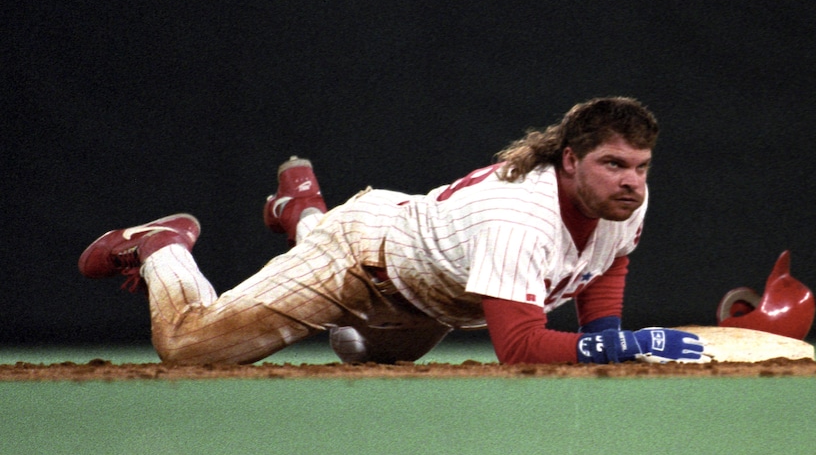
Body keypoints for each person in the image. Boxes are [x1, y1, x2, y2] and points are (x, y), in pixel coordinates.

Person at [78, 96, 708, 365]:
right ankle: (163, 246)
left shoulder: (624, 198)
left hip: (429, 293)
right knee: (188, 349)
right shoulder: (522, 215)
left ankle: (302, 212)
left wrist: (603, 334)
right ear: (570, 159)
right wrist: (614, 348)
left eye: (640, 167)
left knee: (367, 355)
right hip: (362, 258)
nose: (631, 180)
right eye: (613, 164)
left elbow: (609, 260)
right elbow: (518, 349)